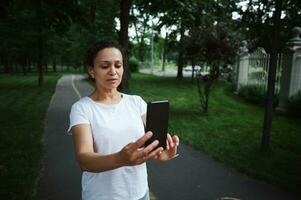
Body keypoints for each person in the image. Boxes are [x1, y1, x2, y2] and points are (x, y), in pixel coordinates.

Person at [68, 41, 180, 200]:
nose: (113, 71)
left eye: (118, 65)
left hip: (140, 194)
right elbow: (84, 159)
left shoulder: (136, 102)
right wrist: (120, 159)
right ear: (91, 70)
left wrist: (162, 152)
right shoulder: (82, 108)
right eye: (105, 66)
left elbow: (154, 139)